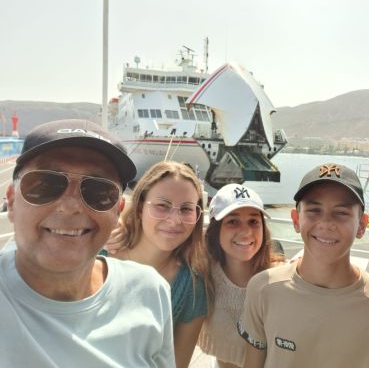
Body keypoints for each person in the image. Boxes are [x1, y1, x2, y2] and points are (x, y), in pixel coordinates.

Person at [0, 119, 175, 367]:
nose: (70, 206)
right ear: (12, 201)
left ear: (118, 211)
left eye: (98, 191)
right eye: (46, 184)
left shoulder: (150, 292)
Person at [238, 163, 369, 368]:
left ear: (361, 225)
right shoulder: (264, 289)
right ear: (296, 220)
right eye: (314, 210)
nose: (325, 223)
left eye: (341, 213)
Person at [107, 161, 209, 368]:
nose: (175, 220)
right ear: (139, 208)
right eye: (162, 206)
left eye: (186, 209)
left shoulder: (191, 288)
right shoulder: (99, 256)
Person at [197, 183, 284, 368]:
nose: (245, 232)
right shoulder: (202, 274)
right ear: (216, 229)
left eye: (253, 221)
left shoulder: (280, 279)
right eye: (232, 221)